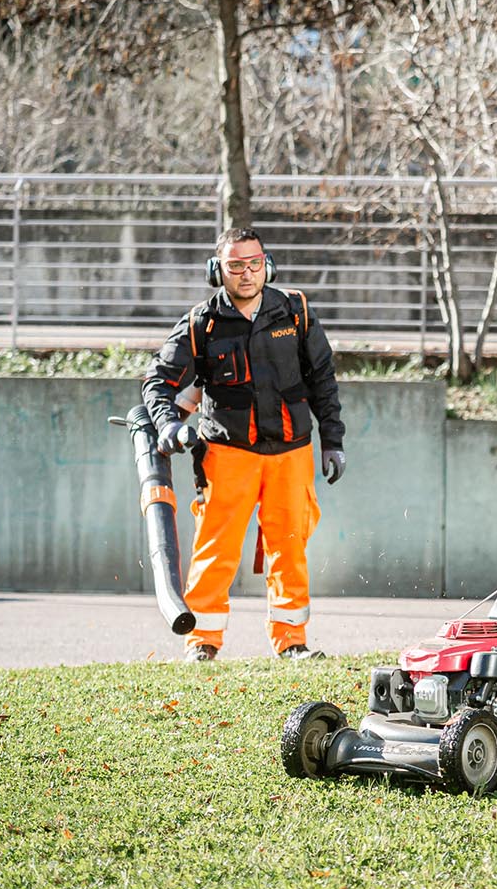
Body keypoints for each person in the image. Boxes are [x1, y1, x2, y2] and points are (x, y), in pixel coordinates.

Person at [142, 227, 345, 662]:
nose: (246, 273)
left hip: (291, 451)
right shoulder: (203, 322)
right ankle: (202, 642)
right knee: (215, 549)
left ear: (267, 265)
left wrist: (333, 440)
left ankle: (292, 641)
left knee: (289, 545)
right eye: (235, 265)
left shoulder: (295, 312)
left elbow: (323, 379)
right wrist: (168, 426)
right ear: (219, 270)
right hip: (227, 453)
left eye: (254, 263)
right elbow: (158, 381)